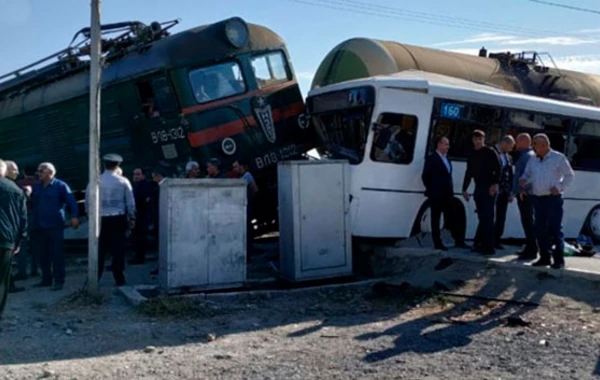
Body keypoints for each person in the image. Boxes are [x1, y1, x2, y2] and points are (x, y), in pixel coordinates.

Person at [519, 133, 574, 269]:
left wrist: (559, 187)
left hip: (553, 198)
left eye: (535, 144)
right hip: (538, 198)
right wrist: (523, 179)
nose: (533, 146)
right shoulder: (533, 159)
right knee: (540, 229)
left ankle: (558, 260)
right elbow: (528, 173)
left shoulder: (558, 158)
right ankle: (544, 257)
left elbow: (569, 175)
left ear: (544, 145)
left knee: (555, 229)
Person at [86, 154, 136, 286]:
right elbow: (130, 202)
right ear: (117, 165)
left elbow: (88, 202)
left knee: (99, 249)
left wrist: (90, 216)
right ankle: (119, 278)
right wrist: (132, 217)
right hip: (118, 218)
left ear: (104, 164)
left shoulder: (95, 181)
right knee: (118, 250)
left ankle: (95, 279)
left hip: (100, 219)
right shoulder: (123, 181)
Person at [31, 162, 79, 291]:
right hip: (40, 226)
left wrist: (74, 216)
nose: (38, 173)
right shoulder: (37, 187)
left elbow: (71, 202)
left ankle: (59, 280)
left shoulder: (60, 186)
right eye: (38, 170)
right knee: (43, 255)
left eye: (41, 171)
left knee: (57, 254)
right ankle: (46, 279)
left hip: (55, 226)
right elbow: (33, 205)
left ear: (50, 173)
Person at [422, 136, 468, 250]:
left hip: (447, 194)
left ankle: (458, 240)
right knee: (435, 219)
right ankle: (437, 242)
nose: (448, 147)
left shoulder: (447, 158)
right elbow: (425, 176)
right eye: (445, 144)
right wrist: (432, 188)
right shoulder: (432, 158)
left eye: (448, 144)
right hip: (436, 194)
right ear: (439, 144)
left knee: (453, 216)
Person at [462, 130, 501, 255]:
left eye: (480, 139)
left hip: (489, 187)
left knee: (488, 218)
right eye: (476, 139)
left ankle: (489, 247)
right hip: (478, 188)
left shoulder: (490, 152)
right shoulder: (472, 154)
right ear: (473, 140)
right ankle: (479, 243)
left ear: (484, 139)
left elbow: (499, 168)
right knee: (482, 217)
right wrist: (464, 189)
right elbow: (468, 172)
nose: (478, 141)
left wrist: (495, 184)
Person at [0, 159, 28, 317]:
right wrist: (19, 241)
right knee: (2, 280)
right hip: (6, 241)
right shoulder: (17, 190)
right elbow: (23, 218)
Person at [512, 133, 537, 260]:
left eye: (517, 141)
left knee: (528, 221)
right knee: (528, 221)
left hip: (526, 194)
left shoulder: (527, 156)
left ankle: (531, 249)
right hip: (528, 193)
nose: (515, 144)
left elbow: (529, 176)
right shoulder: (529, 155)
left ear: (523, 142)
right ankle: (530, 247)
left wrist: (522, 190)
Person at [492, 135, 516, 250]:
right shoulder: (492, 153)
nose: (511, 150)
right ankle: (486, 240)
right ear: (505, 143)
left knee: (501, 217)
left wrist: (511, 191)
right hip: (494, 189)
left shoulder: (509, 158)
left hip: (504, 191)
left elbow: (511, 175)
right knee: (492, 216)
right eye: (510, 147)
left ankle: (496, 240)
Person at [233, 160, 259, 256]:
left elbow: (255, 189)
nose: (234, 169)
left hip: (247, 205)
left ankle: (249, 250)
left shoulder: (247, 175)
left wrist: (250, 197)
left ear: (241, 166)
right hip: (242, 206)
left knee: (247, 227)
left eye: (236, 167)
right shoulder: (239, 177)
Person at [129, 168, 153, 265]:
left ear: (143, 175)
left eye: (138, 174)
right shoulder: (137, 186)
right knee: (137, 237)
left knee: (140, 237)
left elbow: (144, 200)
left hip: (142, 215)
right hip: (138, 215)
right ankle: (138, 256)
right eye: (134, 174)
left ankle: (140, 257)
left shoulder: (145, 186)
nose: (135, 176)